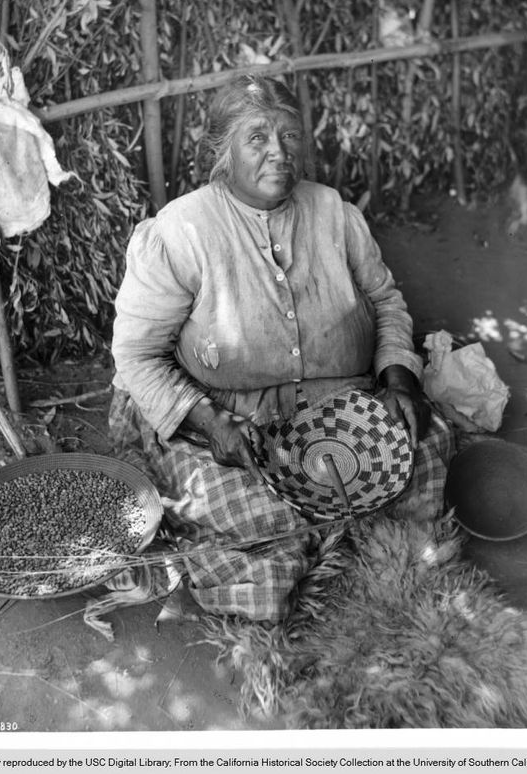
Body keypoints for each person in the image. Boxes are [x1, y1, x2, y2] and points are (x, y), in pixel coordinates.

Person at [109, 74, 453, 623]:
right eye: (257, 138)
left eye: (290, 136)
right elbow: (137, 356)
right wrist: (211, 423)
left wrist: (396, 379)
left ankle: (320, 540)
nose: (279, 152)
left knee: (427, 443)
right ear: (222, 155)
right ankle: (313, 542)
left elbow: (386, 301)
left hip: (344, 418)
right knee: (251, 508)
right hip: (236, 428)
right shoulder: (181, 233)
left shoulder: (335, 213)